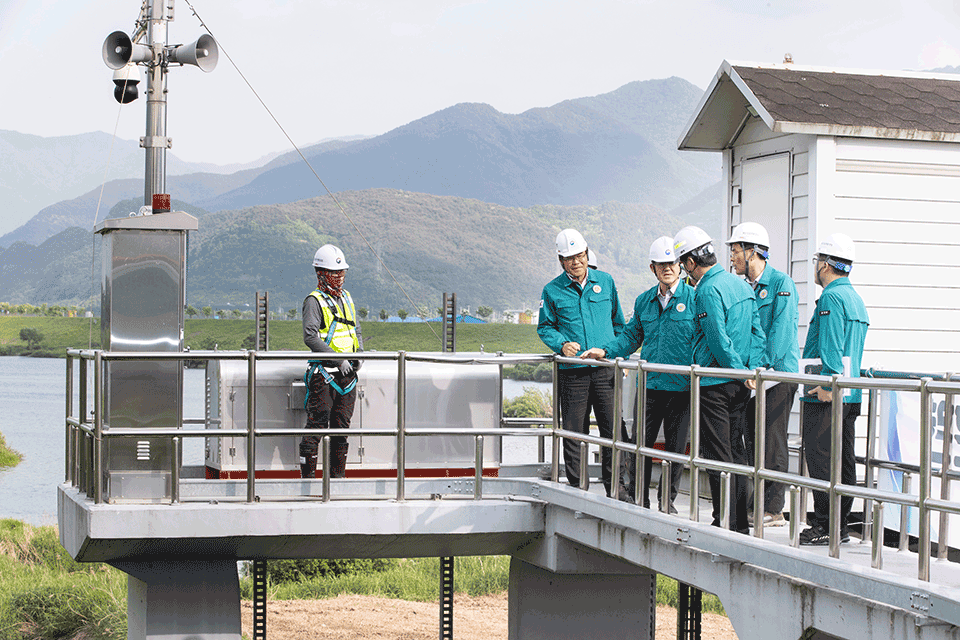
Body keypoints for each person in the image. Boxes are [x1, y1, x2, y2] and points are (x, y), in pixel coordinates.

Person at [581, 236, 695, 513]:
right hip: (650, 386)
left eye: (671, 263)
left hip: (682, 387)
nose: (667, 268)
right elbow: (631, 336)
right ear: (652, 268)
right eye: (661, 264)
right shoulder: (644, 301)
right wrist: (606, 351)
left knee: (676, 449)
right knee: (640, 445)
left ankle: (667, 502)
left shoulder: (695, 299)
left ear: (680, 265)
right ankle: (638, 498)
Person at [673, 226, 766, 533]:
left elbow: (717, 339)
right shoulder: (741, 286)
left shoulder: (707, 290)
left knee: (717, 454)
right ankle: (739, 522)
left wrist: (736, 370)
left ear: (689, 263)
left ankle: (724, 519)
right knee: (737, 452)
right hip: (740, 384)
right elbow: (757, 333)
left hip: (715, 382)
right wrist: (750, 371)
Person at [538, 228, 629, 500]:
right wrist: (562, 344)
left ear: (587, 254)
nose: (576, 262)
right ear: (561, 260)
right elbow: (545, 328)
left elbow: (619, 324)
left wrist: (616, 356)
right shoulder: (552, 290)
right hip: (573, 372)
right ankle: (578, 489)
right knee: (574, 432)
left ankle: (616, 488)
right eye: (570, 258)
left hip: (604, 370)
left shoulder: (606, 282)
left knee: (612, 432)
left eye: (580, 256)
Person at [727, 222, 799, 527]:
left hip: (778, 375)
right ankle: (758, 504)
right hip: (754, 377)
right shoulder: (743, 287)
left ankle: (774, 507)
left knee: (773, 438)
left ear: (752, 251)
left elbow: (781, 334)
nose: (732, 257)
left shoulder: (782, 283)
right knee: (752, 438)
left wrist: (761, 367)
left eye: (735, 251)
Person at [799, 233, 869, 546]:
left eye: (817, 261)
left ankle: (825, 525)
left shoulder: (830, 298)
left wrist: (828, 380)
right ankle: (839, 525)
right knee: (844, 460)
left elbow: (830, 342)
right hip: (851, 393)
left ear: (825, 264)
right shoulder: (855, 298)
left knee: (822, 459)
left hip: (827, 393)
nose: (815, 266)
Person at [299, 244, 364, 479]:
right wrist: (338, 360)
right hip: (324, 374)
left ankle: (338, 480)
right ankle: (308, 481)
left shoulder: (346, 298)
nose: (338, 277)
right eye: (334, 273)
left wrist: (359, 356)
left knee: (341, 431)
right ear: (321, 273)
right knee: (316, 427)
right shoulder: (314, 301)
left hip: (347, 377)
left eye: (341, 273)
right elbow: (310, 336)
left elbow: (354, 329)